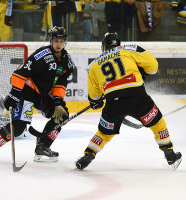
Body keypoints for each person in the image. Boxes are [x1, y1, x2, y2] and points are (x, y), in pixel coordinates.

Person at [76, 32, 182, 171]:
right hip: (137, 97)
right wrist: (143, 71)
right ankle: (169, 154)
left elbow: (94, 96)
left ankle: (88, 155)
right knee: (158, 124)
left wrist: (97, 102)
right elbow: (153, 67)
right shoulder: (129, 49)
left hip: (114, 103)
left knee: (103, 133)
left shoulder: (94, 65)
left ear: (104, 46)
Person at [0, 26, 76, 163]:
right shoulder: (42, 54)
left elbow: (60, 84)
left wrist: (58, 103)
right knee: (17, 128)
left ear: (65, 42)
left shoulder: (67, 62)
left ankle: (43, 146)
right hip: (27, 91)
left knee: (62, 116)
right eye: (56, 40)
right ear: (51, 41)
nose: (58, 44)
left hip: (42, 94)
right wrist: (14, 94)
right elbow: (20, 73)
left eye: (61, 41)